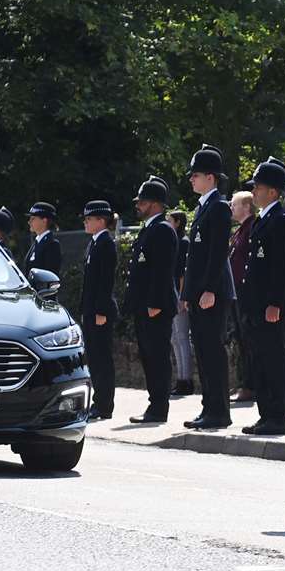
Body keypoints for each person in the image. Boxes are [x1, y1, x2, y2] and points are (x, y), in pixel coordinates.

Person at [181, 146, 235, 431]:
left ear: (211, 177)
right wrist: (188, 294)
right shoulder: (204, 207)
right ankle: (209, 407)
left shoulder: (218, 208)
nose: (192, 179)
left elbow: (217, 253)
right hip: (200, 293)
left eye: (196, 175)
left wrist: (209, 289)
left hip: (212, 292)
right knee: (202, 351)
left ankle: (219, 411)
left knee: (213, 351)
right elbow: (195, 259)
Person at [238, 159, 285, 436]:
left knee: (273, 358)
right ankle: (266, 413)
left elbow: (281, 267)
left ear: (273, 191)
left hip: (269, 305)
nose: (254, 192)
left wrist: (276, 302)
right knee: (259, 359)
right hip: (255, 304)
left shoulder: (280, 220)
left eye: (258, 187)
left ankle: (279, 415)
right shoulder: (264, 219)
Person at [125, 178, 179, 424]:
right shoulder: (149, 228)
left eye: (143, 201)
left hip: (155, 306)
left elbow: (162, 270)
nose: (139, 205)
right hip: (144, 305)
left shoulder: (163, 229)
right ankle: (154, 404)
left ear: (156, 204)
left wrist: (155, 302)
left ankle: (159, 407)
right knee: (148, 356)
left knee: (157, 356)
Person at [79, 201, 120, 421]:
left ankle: (104, 405)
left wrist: (101, 311)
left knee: (102, 359)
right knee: (94, 359)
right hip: (91, 310)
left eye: (89, 219)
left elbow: (105, 281)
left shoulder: (106, 243)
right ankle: (98, 402)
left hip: (99, 311)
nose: (85, 222)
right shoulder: (94, 243)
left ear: (101, 221)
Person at [228, 189, 257, 404]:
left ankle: (250, 385)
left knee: (249, 340)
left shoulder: (252, 228)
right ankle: (246, 383)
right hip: (238, 291)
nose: (232, 207)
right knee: (242, 338)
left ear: (246, 207)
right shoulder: (241, 230)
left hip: (248, 292)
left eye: (235, 204)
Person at [167, 208, 196, 398]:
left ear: (177, 222)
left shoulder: (184, 242)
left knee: (182, 336)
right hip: (173, 291)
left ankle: (187, 379)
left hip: (179, 292)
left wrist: (182, 296)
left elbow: (183, 272)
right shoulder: (174, 241)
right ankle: (180, 378)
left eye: (170, 220)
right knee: (175, 338)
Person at [22, 203, 63, 280]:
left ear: (44, 221)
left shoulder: (52, 245)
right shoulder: (37, 243)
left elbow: (50, 277)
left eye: (33, 218)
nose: (29, 222)